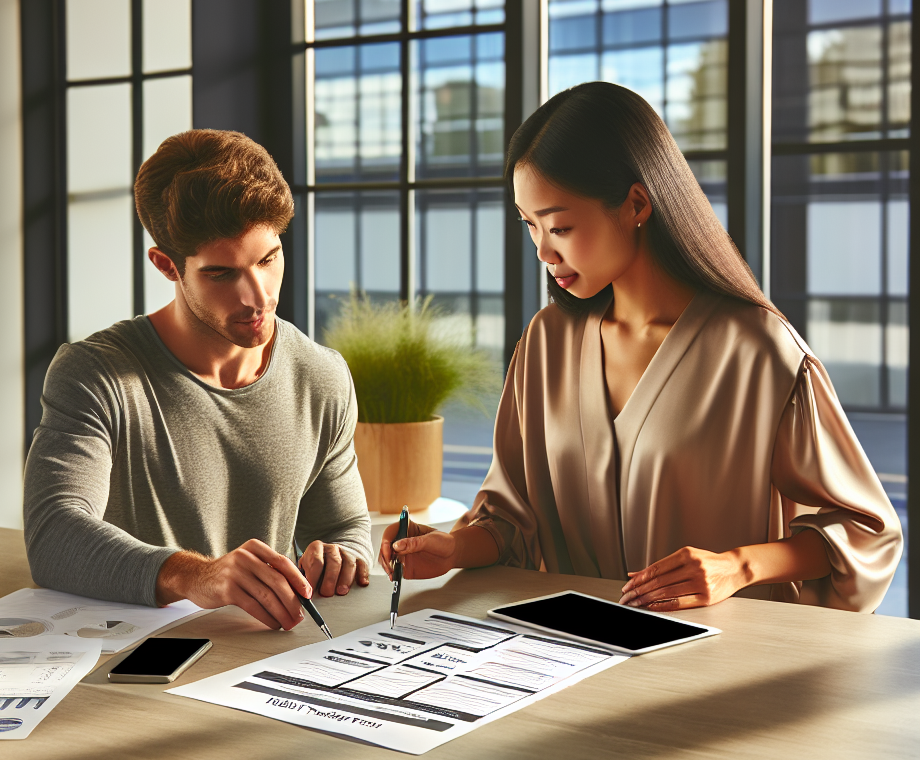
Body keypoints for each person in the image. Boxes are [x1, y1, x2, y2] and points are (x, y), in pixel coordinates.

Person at [380, 82, 901, 613]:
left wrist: (738, 566)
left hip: (717, 659)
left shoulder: (757, 351)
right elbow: (511, 523)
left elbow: (865, 531)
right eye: (530, 225)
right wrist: (450, 549)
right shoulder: (545, 344)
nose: (542, 249)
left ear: (635, 203)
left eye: (560, 225)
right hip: (563, 651)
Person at [23, 129, 373, 629]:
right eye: (221, 274)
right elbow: (54, 535)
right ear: (168, 266)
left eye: (268, 259)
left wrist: (342, 556)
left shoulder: (322, 375)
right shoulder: (95, 374)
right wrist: (197, 576)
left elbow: (345, 527)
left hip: (261, 657)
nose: (257, 297)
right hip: (127, 669)